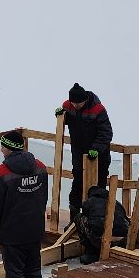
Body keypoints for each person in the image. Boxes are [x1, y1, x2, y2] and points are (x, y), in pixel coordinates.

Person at [0, 129, 50, 278]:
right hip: (34, 230)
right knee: (34, 272)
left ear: (9, 148)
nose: (1, 150)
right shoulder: (40, 167)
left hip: (12, 233)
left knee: (15, 275)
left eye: (2, 146)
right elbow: (43, 197)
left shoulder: (2, 173)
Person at [55, 83, 114, 224]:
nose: (76, 106)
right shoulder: (68, 106)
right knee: (76, 188)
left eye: (78, 103)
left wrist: (97, 148)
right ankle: (74, 221)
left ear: (85, 99)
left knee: (97, 190)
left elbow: (106, 133)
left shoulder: (97, 109)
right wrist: (61, 115)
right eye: (73, 103)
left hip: (98, 157)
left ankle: (97, 222)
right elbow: (71, 120)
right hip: (78, 156)